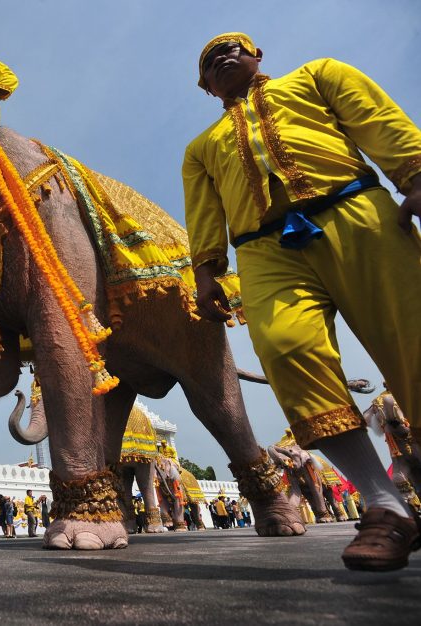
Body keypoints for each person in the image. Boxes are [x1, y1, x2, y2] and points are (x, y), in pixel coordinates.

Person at [183, 32, 421, 571]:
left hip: (359, 214)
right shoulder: (200, 148)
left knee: (414, 337)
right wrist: (206, 273)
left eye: (233, 47)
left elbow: (377, 120)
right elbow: (202, 213)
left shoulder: (317, 76)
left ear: (257, 56)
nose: (222, 56)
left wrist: (415, 174)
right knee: (286, 349)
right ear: (205, 86)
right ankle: (385, 508)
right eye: (210, 59)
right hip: (264, 250)